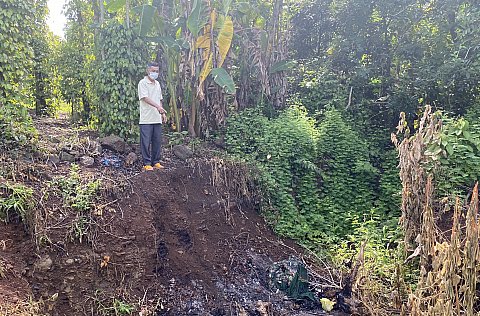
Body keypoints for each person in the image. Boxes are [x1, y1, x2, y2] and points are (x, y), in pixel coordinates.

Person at [138, 61, 167, 171]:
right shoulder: (142, 83)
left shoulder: (158, 84)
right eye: (153, 71)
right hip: (146, 118)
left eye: (157, 71)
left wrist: (162, 112)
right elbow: (145, 98)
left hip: (157, 118)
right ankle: (146, 163)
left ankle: (156, 162)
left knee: (157, 141)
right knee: (145, 142)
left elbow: (159, 99)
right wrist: (157, 107)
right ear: (148, 70)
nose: (155, 73)